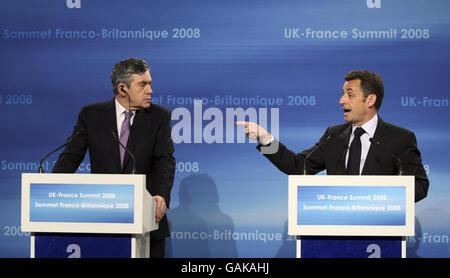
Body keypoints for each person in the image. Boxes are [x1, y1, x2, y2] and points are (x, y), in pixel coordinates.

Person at [236, 70, 429, 202]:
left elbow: (419, 186)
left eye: (349, 94)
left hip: (381, 234)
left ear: (370, 100)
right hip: (336, 233)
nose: (341, 100)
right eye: (342, 93)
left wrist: (378, 199)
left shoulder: (400, 138)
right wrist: (265, 139)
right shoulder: (334, 135)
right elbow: (298, 167)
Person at [52, 57, 175, 257]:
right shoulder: (92, 115)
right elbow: (70, 157)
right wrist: (52, 191)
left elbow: (165, 160)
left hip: (147, 221)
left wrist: (161, 195)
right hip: (103, 221)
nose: (150, 90)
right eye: (142, 84)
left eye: (150, 84)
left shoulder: (159, 117)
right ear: (122, 88)